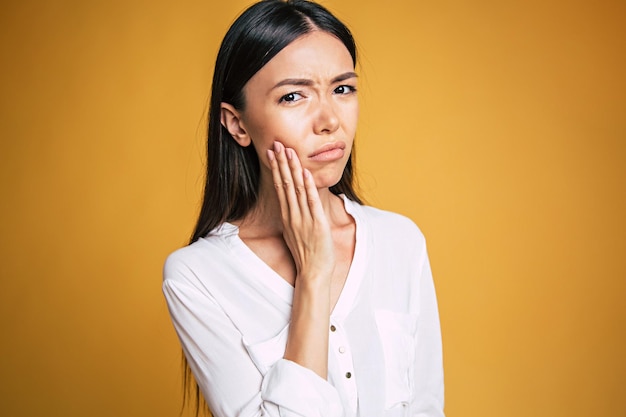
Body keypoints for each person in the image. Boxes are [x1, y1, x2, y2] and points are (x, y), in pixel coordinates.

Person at [162, 1, 445, 416]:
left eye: (342, 89)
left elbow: (427, 408)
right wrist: (313, 274)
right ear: (237, 124)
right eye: (293, 96)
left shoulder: (400, 241)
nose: (329, 120)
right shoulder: (197, 276)